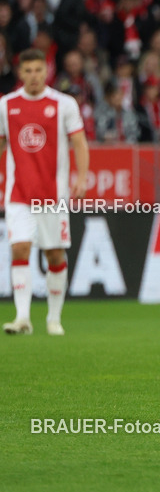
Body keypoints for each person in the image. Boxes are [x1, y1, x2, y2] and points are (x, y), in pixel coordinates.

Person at [1, 50, 89, 336]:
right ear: (20, 73)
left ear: (46, 71)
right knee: (20, 248)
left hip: (53, 195)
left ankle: (53, 318)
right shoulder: (6, 105)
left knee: (53, 254)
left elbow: (79, 141)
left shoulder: (63, 103)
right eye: (28, 71)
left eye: (39, 70)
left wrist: (83, 176)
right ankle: (23, 317)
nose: (34, 76)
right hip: (19, 194)